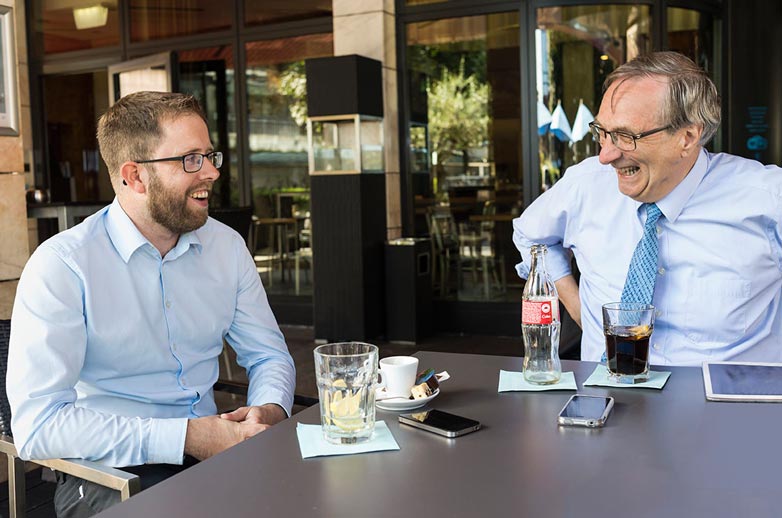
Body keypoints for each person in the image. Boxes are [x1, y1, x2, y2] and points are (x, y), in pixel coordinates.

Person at [7, 91, 296, 516]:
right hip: (111, 471)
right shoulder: (63, 267)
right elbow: (38, 425)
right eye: (191, 159)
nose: (213, 172)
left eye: (210, 155)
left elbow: (269, 355)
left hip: (220, 451)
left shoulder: (226, 247)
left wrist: (267, 411)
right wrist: (188, 437)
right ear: (135, 176)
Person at [513, 51, 782, 366]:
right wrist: (578, 309)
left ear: (687, 136)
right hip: (606, 398)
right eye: (602, 133)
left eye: (626, 136)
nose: (606, 155)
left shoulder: (766, 197)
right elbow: (531, 236)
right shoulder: (586, 184)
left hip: (721, 407)